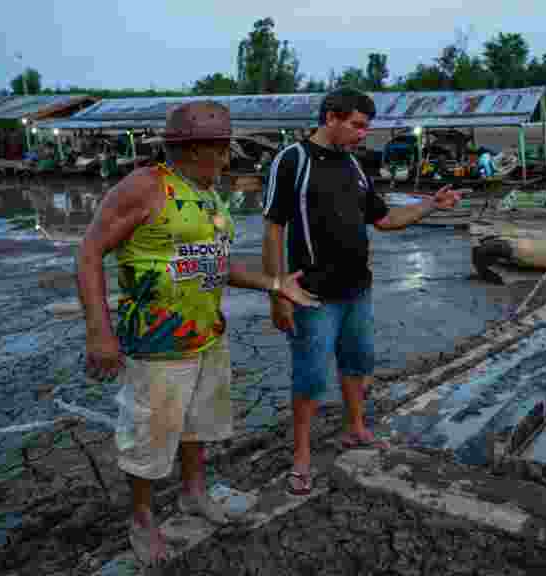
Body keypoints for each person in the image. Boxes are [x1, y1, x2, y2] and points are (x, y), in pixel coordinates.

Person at [77, 101, 318, 566]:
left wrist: (274, 283)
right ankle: (142, 517)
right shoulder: (145, 187)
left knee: (197, 425)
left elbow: (214, 262)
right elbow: (88, 254)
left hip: (207, 334)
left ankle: (193, 493)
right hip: (157, 342)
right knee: (150, 434)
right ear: (192, 148)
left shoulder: (207, 193)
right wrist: (99, 332)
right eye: (221, 149)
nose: (227, 160)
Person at [262, 87, 462, 496]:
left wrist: (430, 205)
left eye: (366, 127)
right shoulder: (293, 160)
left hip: (358, 290)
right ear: (331, 117)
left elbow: (384, 219)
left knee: (357, 363)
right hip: (311, 294)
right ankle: (301, 457)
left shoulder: (354, 165)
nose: (362, 134)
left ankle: (355, 429)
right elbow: (273, 228)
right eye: (357, 125)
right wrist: (277, 291)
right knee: (310, 377)